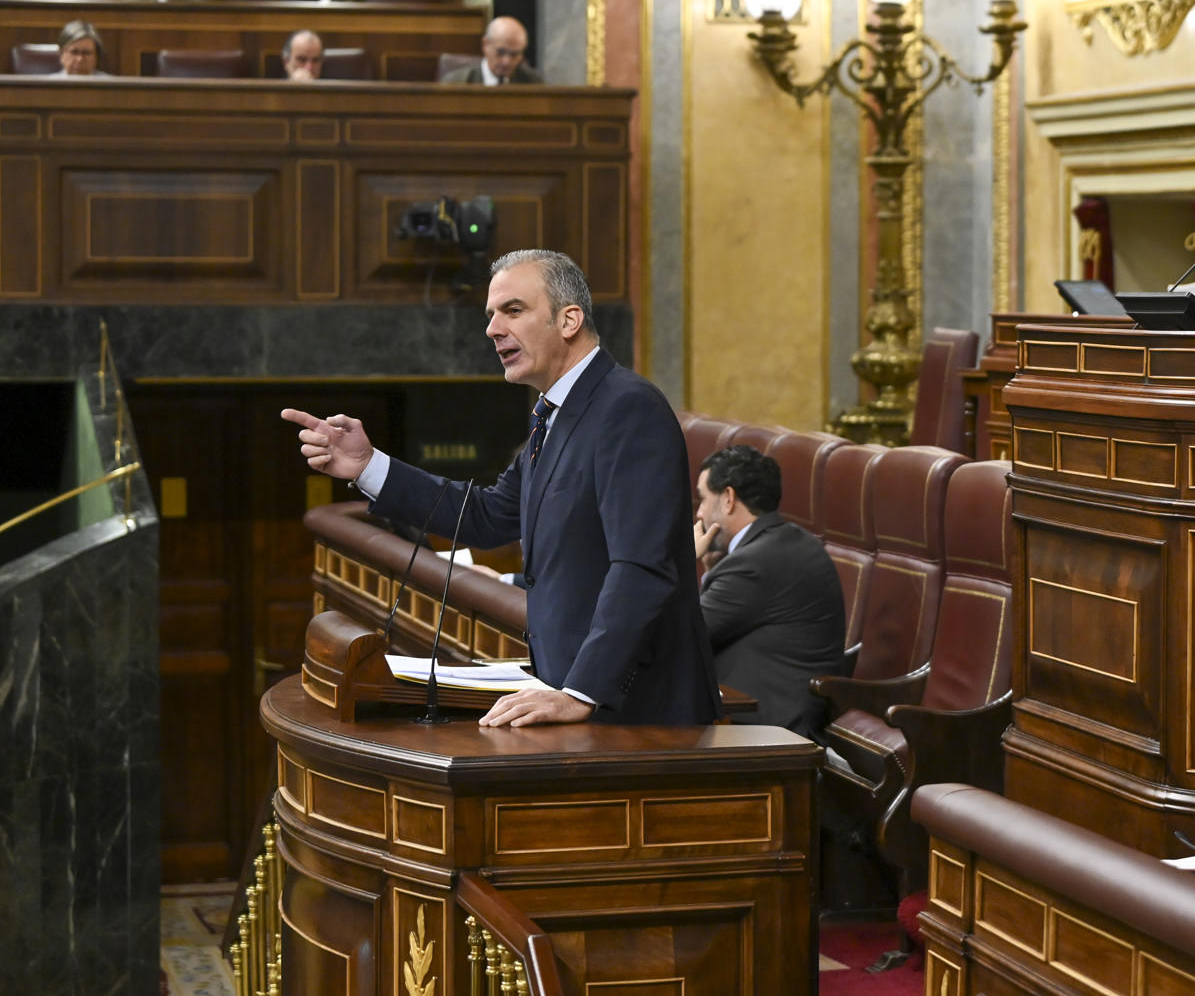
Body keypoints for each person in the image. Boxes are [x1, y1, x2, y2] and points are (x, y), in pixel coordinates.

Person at [280, 249, 720, 728]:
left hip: (637, 714)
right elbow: (486, 516)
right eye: (491, 315)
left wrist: (580, 691)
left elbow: (641, 568)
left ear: (569, 319)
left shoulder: (626, 409)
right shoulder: (553, 416)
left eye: (512, 310)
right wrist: (368, 466)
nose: (492, 329)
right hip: (578, 702)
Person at [694, 444, 846, 739]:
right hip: (758, 719)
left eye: (702, 499)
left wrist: (682, 564)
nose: (699, 513)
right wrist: (711, 569)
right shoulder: (782, 543)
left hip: (768, 730)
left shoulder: (753, 563)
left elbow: (681, 637)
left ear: (728, 499)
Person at [442, 16, 543, 85]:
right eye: (501, 52)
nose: (506, 62)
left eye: (514, 54)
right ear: (485, 45)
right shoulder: (456, 83)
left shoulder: (534, 84)